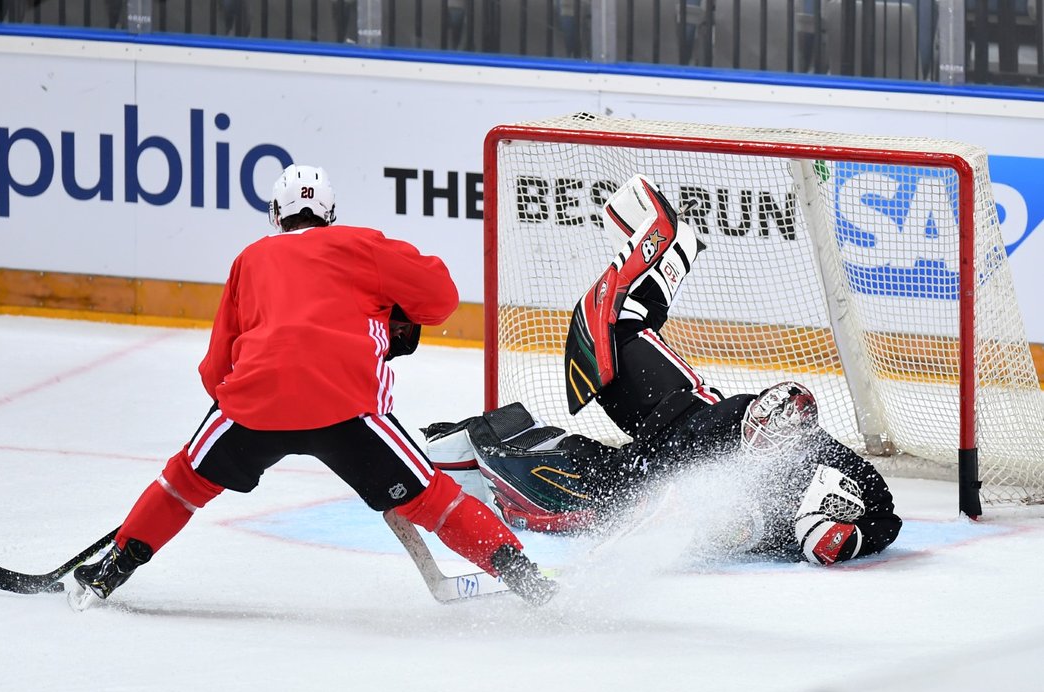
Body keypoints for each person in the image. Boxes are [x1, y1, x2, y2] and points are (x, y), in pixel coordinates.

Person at [70, 164, 556, 609]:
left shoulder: (251, 258)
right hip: (347, 406)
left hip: (254, 404)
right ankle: (526, 578)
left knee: (183, 482)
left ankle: (111, 571)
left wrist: (240, 414)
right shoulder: (362, 244)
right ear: (330, 214)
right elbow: (441, 299)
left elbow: (215, 368)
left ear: (276, 214)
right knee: (431, 499)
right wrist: (392, 312)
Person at [426, 174, 902, 566]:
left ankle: (470, 449)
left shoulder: (823, 462)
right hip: (677, 414)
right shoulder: (739, 432)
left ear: (797, 446)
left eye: (764, 438)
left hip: (654, 445)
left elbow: (885, 516)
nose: (751, 439)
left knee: (556, 483)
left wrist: (848, 537)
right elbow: (660, 467)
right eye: (753, 425)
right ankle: (662, 245)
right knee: (602, 336)